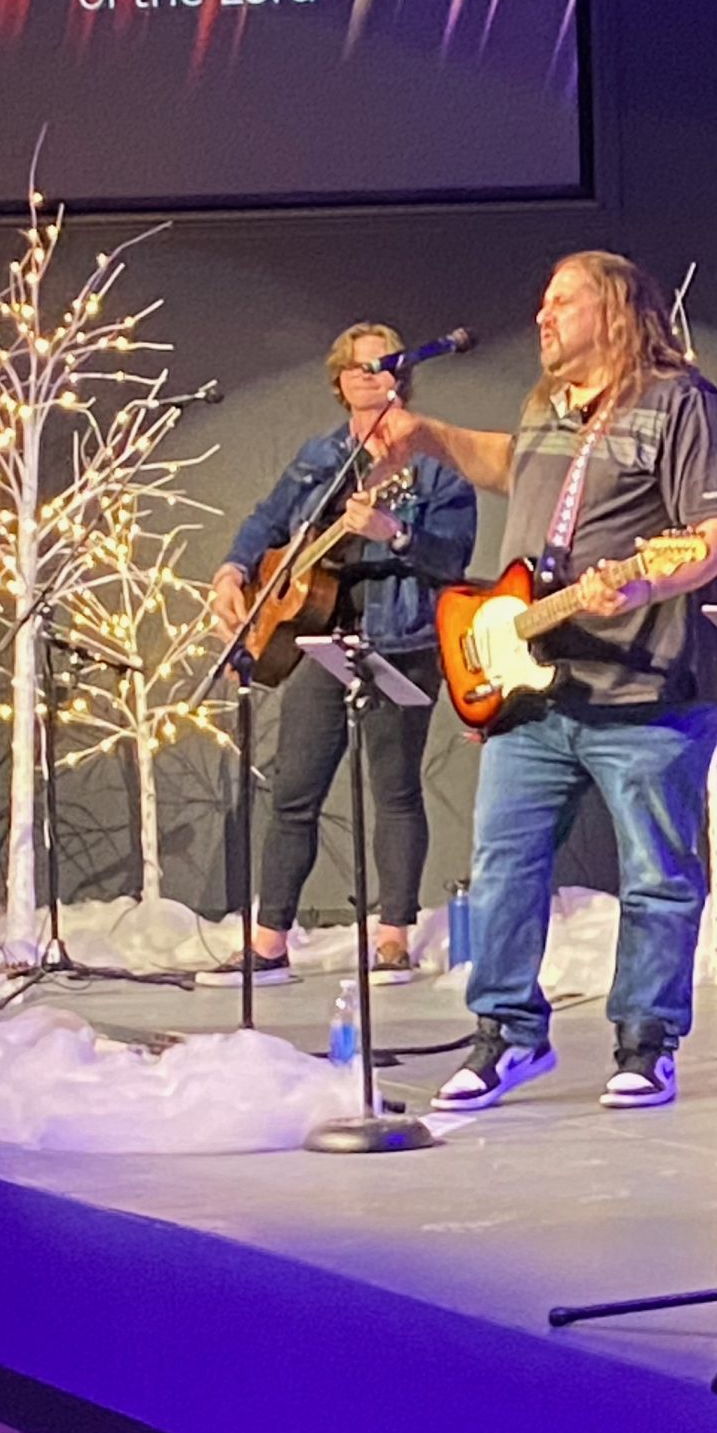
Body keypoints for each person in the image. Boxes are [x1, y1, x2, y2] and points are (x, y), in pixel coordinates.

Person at [367, 253, 717, 1112]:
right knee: (503, 867)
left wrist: (648, 582)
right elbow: (512, 466)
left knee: (655, 876)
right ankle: (505, 1035)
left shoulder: (683, 406)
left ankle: (647, 1043)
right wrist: (428, 438)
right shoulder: (548, 407)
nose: (542, 317)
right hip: (535, 691)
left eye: (561, 301)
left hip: (649, 695)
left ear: (614, 310)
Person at [202, 323, 478, 987]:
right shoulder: (320, 455)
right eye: (356, 368)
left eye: (381, 365)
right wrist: (234, 571)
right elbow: (267, 521)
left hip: (402, 640)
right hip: (317, 640)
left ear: (401, 373)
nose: (369, 375)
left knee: (394, 791)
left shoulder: (434, 458)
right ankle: (269, 944)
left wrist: (395, 532)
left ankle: (392, 939)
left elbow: (452, 557)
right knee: (294, 790)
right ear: (339, 381)